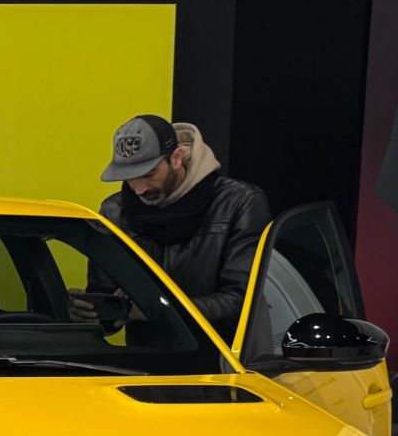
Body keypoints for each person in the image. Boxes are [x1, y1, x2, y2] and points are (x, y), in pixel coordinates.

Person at [70, 113, 271, 336]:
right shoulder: (114, 211)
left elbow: (243, 301)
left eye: (149, 174)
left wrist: (161, 309)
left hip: (221, 353)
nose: (139, 189)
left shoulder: (238, 203)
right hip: (144, 356)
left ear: (176, 158)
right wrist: (90, 314)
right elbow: (107, 307)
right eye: (128, 177)